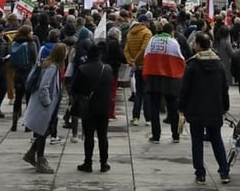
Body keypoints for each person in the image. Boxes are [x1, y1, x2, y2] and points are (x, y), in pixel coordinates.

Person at [179, 32, 231, 185]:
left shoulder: (193, 65)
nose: (193, 46)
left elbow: (185, 89)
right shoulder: (219, 64)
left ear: (199, 46)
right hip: (215, 109)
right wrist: (225, 106)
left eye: (195, 43)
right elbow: (224, 88)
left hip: (196, 109)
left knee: (197, 141)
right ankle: (224, 171)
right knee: (216, 139)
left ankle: (200, 173)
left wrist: (181, 107)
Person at [23, 42, 67, 174]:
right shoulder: (52, 68)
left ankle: (32, 153)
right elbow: (44, 87)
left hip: (49, 106)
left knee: (46, 130)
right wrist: (47, 102)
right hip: (45, 106)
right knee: (43, 132)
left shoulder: (52, 65)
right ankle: (39, 160)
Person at [71, 43, 114, 173]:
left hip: (88, 106)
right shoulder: (107, 69)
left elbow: (74, 88)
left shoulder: (83, 69)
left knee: (88, 136)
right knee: (103, 135)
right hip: (104, 106)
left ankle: (88, 162)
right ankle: (104, 163)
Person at [143, 21, 185, 143]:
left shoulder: (152, 40)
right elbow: (180, 59)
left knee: (154, 108)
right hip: (170, 78)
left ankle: (156, 136)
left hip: (154, 77)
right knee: (173, 107)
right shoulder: (173, 42)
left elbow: (146, 56)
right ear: (171, 32)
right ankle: (175, 135)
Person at [124, 14, 153, 126]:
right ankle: (148, 118)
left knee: (138, 92)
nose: (149, 23)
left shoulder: (130, 33)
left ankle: (135, 117)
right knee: (147, 93)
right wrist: (136, 60)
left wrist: (130, 61)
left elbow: (126, 49)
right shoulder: (147, 33)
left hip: (135, 67)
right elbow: (144, 49)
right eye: (148, 21)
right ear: (144, 22)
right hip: (144, 66)